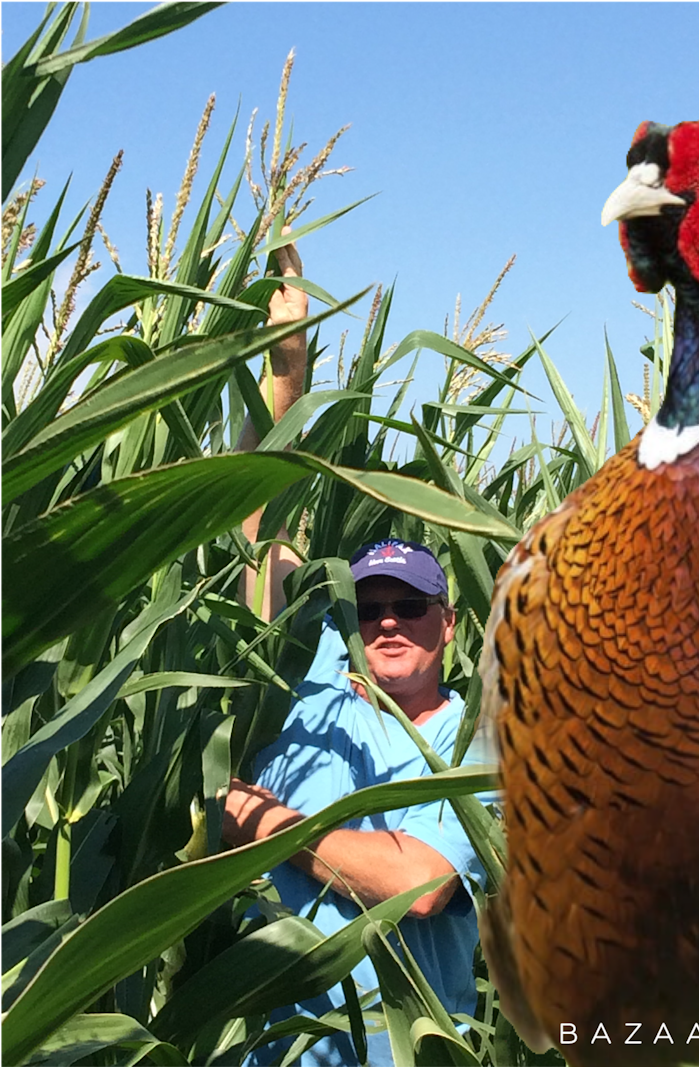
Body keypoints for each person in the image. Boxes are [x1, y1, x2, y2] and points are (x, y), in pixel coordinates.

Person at [223, 237, 486, 1066]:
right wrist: (286, 367)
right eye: (370, 607)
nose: (387, 622)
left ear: (449, 626)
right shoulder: (316, 680)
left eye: (411, 606)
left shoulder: (475, 745)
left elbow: (421, 882)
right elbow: (253, 528)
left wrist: (265, 825)